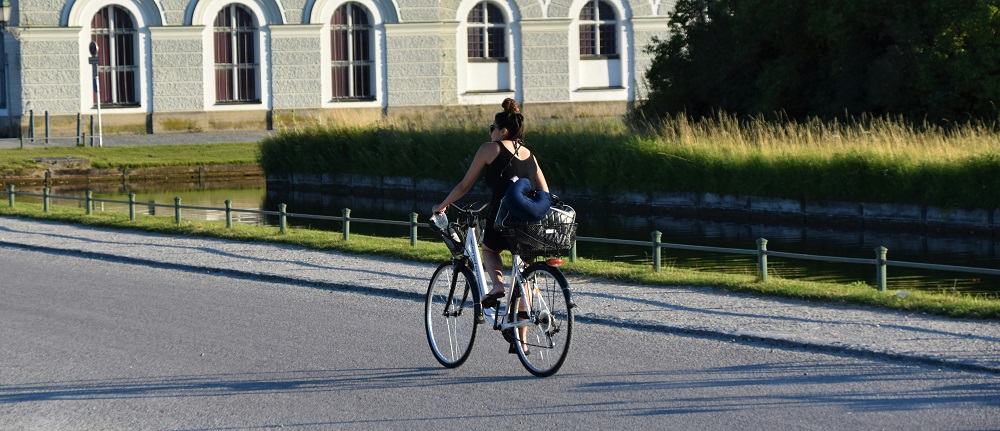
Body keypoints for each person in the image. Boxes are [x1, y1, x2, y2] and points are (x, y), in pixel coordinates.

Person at [432, 98, 549, 350]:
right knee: (523, 278)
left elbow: (464, 185)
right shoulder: (529, 154)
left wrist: (442, 205)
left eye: (492, 127)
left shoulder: (490, 149)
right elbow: (545, 190)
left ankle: (496, 287)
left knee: (490, 249)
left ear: (502, 130)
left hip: (502, 217)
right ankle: (523, 342)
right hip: (529, 223)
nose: (490, 132)